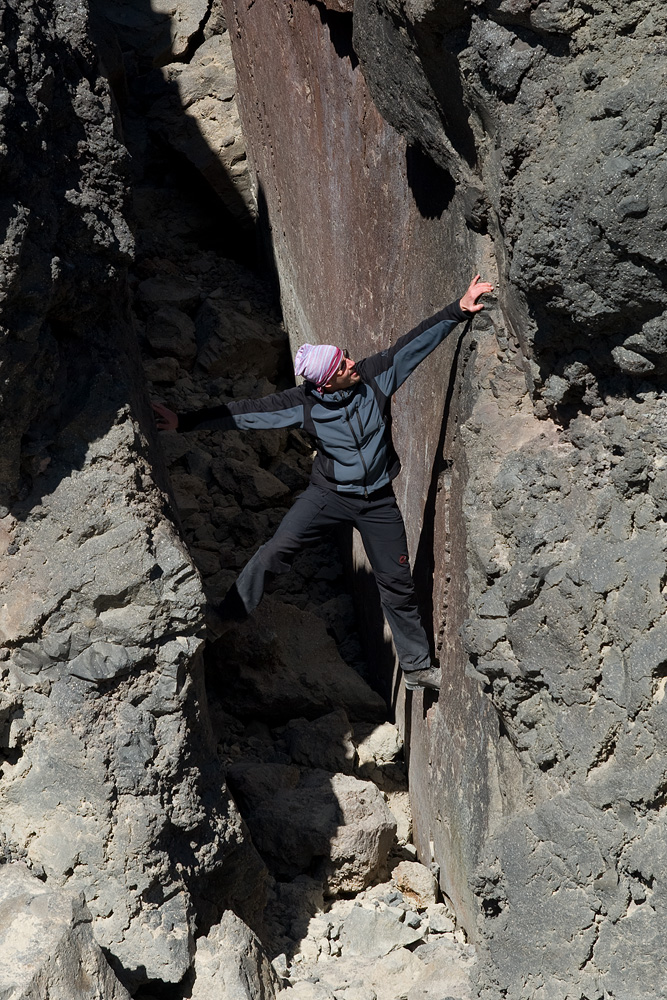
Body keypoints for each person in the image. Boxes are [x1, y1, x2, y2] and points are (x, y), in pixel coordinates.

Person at [153, 274, 493, 692]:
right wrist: (184, 422)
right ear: (325, 380)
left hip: (378, 502)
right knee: (276, 550)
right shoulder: (303, 406)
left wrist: (458, 309)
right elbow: (245, 413)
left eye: (347, 357)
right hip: (328, 496)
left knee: (397, 585)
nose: (353, 362)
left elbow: (414, 345)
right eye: (344, 365)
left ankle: (418, 669)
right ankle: (226, 617)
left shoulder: (374, 377)